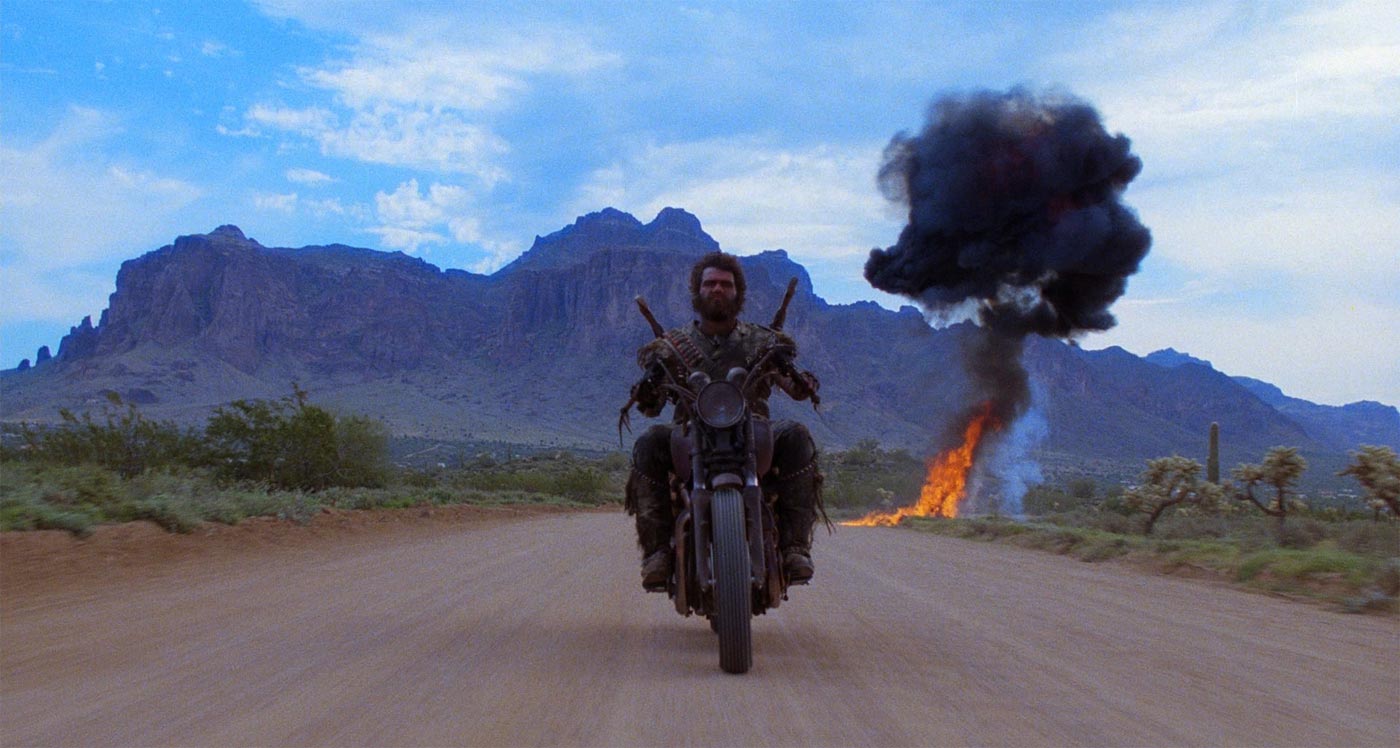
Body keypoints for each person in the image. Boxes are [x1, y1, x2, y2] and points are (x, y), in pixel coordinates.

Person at [624, 251, 823, 591]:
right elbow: (651, 407)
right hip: (690, 435)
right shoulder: (672, 347)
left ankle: (794, 548)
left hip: (752, 433)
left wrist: (805, 384)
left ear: (738, 293)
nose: (717, 289)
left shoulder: (763, 341)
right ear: (697, 291)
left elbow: (794, 389)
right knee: (648, 443)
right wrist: (644, 391)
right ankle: (657, 553)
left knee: (797, 436)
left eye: (726, 284)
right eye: (710, 283)